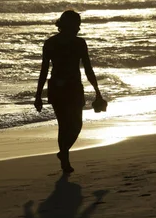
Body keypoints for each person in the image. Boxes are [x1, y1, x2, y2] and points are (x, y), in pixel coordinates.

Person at [34, 10, 104, 173]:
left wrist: (97, 90)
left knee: (76, 125)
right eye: (76, 25)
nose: (78, 28)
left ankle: (63, 152)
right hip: (60, 88)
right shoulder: (51, 43)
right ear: (67, 25)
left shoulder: (79, 43)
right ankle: (64, 159)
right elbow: (43, 70)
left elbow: (88, 68)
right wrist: (37, 95)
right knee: (64, 124)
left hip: (72, 87)